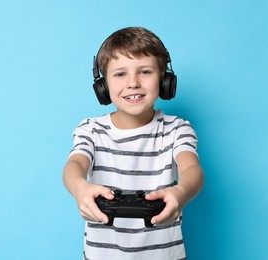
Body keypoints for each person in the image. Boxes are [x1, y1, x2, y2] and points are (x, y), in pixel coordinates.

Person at [62, 27, 204, 259]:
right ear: (103, 86)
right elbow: (74, 165)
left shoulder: (177, 129)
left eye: (145, 71)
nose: (133, 83)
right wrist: (79, 187)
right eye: (120, 74)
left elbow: (191, 169)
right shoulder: (91, 129)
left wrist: (181, 192)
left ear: (164, 79)